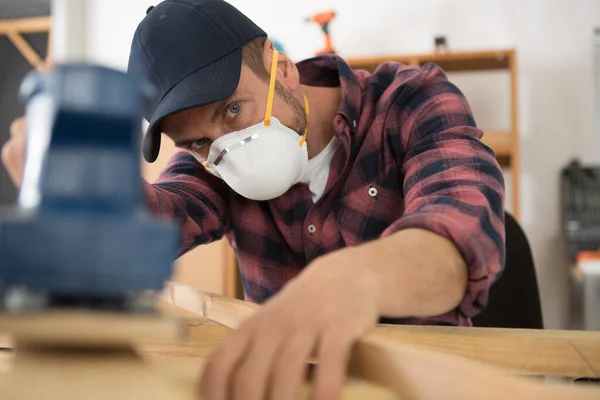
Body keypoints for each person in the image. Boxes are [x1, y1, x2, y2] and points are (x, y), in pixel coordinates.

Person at [1, 0, 506, 398]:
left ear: (281, 69)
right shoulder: (212, 164)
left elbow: (462, 230)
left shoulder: (411, 102)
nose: (224, 149)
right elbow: (158, 215)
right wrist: (79, 177)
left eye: (232, 110)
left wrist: (359, 279)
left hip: (429, 385)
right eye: (197, 142)